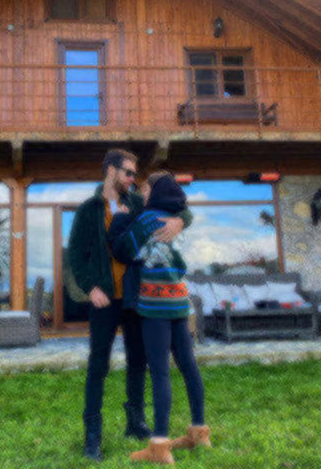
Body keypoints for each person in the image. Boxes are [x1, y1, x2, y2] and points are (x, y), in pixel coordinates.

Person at [68, 149, 193, 461]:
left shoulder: (139, 203)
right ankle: (92, 434)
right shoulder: (88, 210)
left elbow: (182, 209)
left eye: (135, 175)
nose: (133, 179)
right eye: (128, 173)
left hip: (138, 298)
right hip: (104, 300)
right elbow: (76, 257)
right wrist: (90, 287)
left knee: (139, 361)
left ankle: (135, 421)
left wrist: (179, 222)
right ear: (111, 171)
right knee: (98, 365)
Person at [107, 171, 211, 465]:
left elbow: (123, 250)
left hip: (155, 305)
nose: (143, 193)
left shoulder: (147, 220)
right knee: (189, 365)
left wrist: (120, 218)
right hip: (179, 301)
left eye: (146, 189)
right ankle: (200, 432)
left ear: (155, 191)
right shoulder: (177, 220)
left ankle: (159, 445)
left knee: (160, 372)